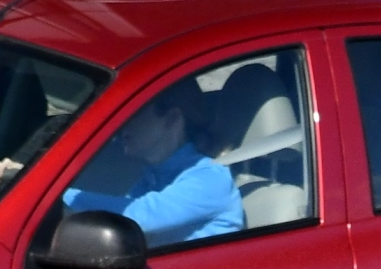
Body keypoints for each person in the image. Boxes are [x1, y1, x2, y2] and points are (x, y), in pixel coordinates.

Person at [59, 85, 244, 248]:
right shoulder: (155, 176)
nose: (122, 123)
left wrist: (58, 196)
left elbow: (137, 216)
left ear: (172, 118)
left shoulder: (210, 177)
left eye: (134, 112)